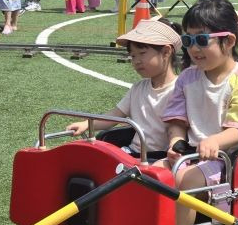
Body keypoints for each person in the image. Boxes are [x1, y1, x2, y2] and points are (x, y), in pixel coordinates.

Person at [161, 0, 238, 225]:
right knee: (150, 174)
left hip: (231, 158)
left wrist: (215, 141)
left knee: (188, 181)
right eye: (188, 40)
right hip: (194, 153)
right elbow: (177, 120)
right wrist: (175, 141)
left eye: (202, 40)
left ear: (229, 41)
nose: (194, 48)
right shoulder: (187, 78)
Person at [66, 18, 182, 157]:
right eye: (133, 55)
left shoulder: (180, 89)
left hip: (160, 157)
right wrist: (87, 124)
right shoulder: (138, 88)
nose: (136, 61)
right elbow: (114, 115)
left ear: (166, 52)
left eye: (142, 53)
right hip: (132, 152)